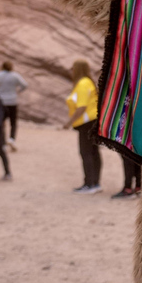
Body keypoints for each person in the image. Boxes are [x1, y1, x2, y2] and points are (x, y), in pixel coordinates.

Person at [63, 59, 101, 194]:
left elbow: (81, 107)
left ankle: (89, 184)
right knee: (93, 152)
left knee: (86, 153)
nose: (71, 71)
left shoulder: (83, 84)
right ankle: (95, 183)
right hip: (92, 122)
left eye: (73, 68)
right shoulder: (87, 82)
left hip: (86, 123)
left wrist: (69, 122)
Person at [0, 61, 28, 152]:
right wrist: (18, 91)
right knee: (13, 122)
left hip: (1, 101)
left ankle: (3, 143)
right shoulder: (15, 76)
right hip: (12, 101)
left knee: (1, 122)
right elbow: (24, 85)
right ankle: (12, 139)